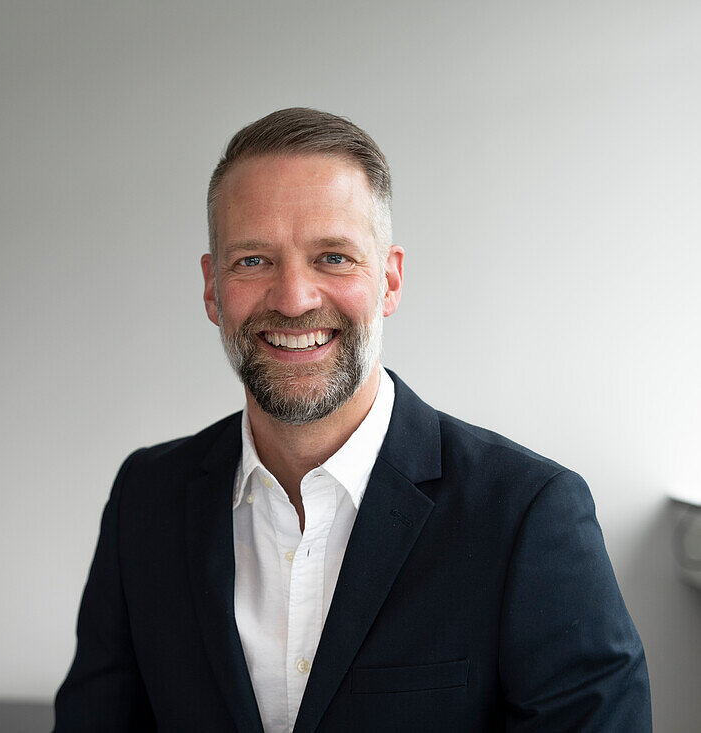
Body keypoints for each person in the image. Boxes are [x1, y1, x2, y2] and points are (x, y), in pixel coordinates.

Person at [53, 108, 651, 732]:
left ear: (389, 280)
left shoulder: (529, 513)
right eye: (253, 260)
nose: (293, 298)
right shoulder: (145, 498)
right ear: (212, 289)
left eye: (333, 257)